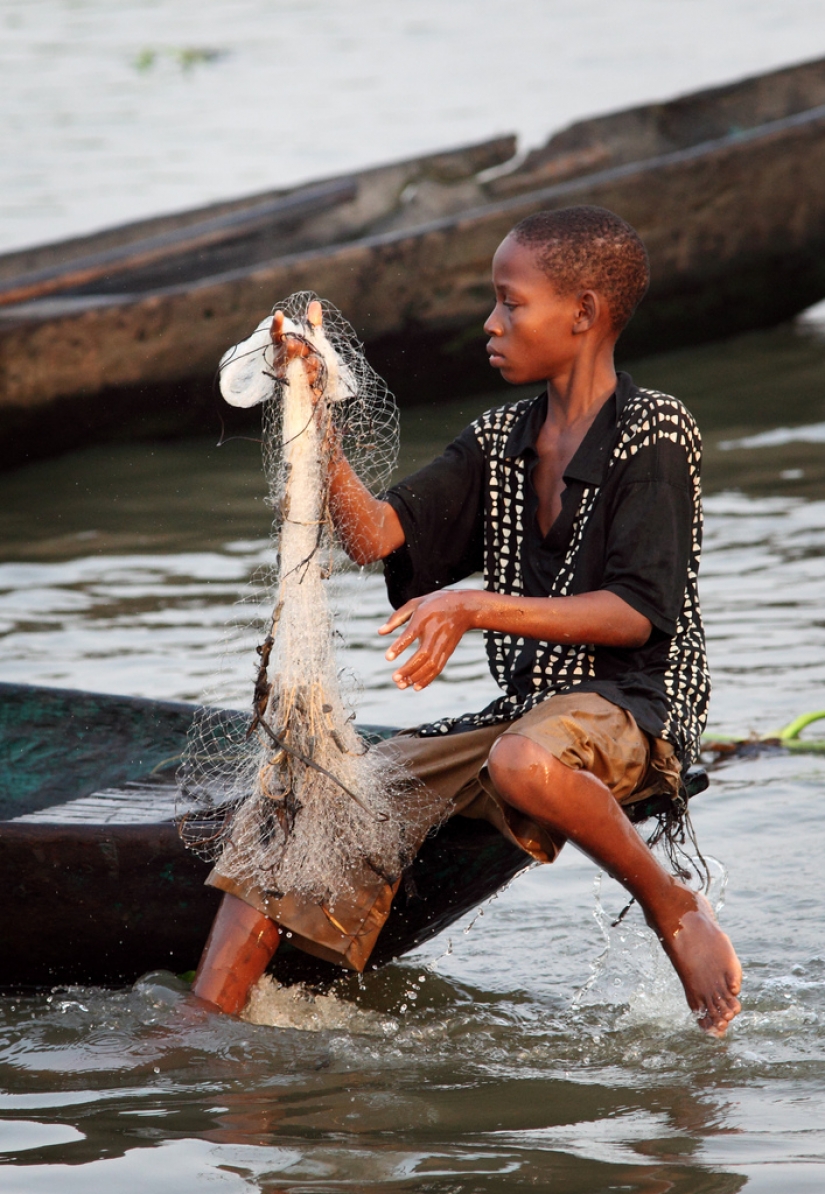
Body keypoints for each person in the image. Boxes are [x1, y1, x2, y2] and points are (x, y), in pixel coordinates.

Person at [192, 205, 742, 1036]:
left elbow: (634, 614)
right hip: (525, 720)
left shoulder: (653, 431)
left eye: (510, 303)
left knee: (522, 762)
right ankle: (204, 1027)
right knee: (322, 801)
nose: (490, 322)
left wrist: (473, 603)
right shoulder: (499, 439)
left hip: (632, 707)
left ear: (584, 313)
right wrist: (317, 410)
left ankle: (673, 907)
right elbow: (374, 534)